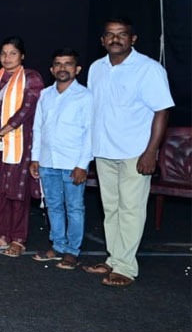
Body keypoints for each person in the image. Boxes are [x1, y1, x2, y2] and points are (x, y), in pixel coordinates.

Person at [83, 17, 173, 287]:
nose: (115, 39)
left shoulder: (148, 69)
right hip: (103, 150)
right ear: (102, 41)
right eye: (110, 34)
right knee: (111, 208)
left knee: (131, 209)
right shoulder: (96, 68)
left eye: (122, 34)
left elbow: (162, 111)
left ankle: (125, 267)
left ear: (133, 39)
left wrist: (151, 152)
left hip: (135, 151)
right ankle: (114, 258)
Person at [0, 37, 44, 257]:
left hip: (19, 144)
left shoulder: (31, 78)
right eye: (3, 53)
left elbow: (26, 110)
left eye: (13, 53)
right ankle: (3, 236)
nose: (7, 58)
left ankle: (18, 239)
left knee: (17, 192)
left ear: (22, 56)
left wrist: (0, 133)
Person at [29, 48, 93, 270]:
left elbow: (90, 133)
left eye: (68, 64)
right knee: (53, 206)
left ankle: (72, 251)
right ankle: (57, 246)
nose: (62, 68)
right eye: (58, 64)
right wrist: (35, 158)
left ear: (77, 69)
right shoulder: (45, 95)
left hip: (72, 163)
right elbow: (38, 128)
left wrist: (82, 165)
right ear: (52, 69)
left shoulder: (86, 96)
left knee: (74, 208)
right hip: (48, 161)